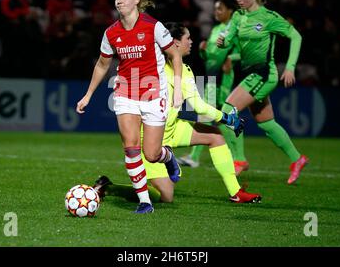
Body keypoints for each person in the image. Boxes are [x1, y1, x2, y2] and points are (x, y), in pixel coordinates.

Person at [94, 22, 261, 204]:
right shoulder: (154, 68)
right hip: (149, 138)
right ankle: (108, 187)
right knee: (166, 196)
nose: (191, 42)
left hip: (172, 128)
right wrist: (228, 118)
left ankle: (235, 192)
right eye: (187, 38)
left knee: (216, 137)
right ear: (175, 43)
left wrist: (227, 120)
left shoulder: (185, 70)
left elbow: (199, 106)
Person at [76, 0, 184, 214]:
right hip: (125, 92)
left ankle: (168, 157)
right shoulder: (111, 32)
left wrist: (178, 87)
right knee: (131, 147)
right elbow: (103, 64)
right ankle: (145, 201)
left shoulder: (153, 26)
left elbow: (175, 54)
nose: (119, 0)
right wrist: (88, 94)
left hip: (154, 93)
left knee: (151, 154)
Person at [217, 0, 309, 185]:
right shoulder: (238, 17)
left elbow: (296, 36)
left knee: (228, 109)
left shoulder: (268, 17)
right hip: (249, 74)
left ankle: (239, 160)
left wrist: (290, 67)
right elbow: (228, 39)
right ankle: (297, 159)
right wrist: (222, 42)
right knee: (266, 123)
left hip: (264, 74)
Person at [178, 0, 247, 172]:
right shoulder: (217, 29)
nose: (216, 12)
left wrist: (231, 58)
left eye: (220, 9)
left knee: (220, 115)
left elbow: (243, 52)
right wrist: (203, 51)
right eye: (216, 9)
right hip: (211, 75)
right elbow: (210, 56)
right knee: (211, 117)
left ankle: (238, 157)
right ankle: (199, 157)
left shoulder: (234, 29)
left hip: (223, 77)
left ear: (230, 11)